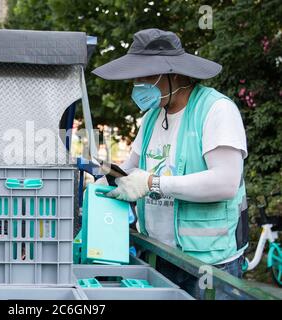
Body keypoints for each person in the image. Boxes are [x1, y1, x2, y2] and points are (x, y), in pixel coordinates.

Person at [92, 29, 249, 299]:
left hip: (209, 264)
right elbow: (130, 169)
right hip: (159, 254)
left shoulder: (216, 110)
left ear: (174, 74)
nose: (138, 84)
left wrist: (153, 183)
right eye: (136, 77)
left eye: (147, 76)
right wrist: (103, 184)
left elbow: (225, 183)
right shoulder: (153, 117)